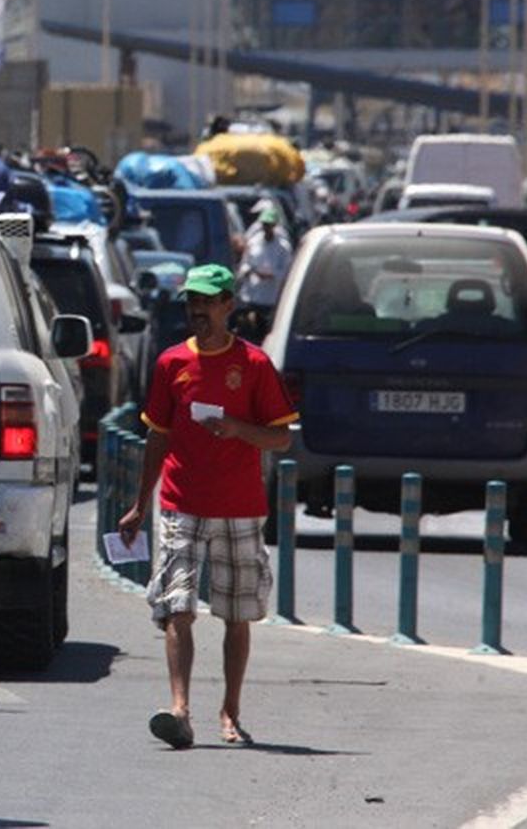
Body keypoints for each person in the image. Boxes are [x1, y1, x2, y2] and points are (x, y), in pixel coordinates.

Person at [117, 263, 297, 750]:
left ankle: (230, 711)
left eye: (207, 301)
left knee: (235, 615)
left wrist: (239, 429)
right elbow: (158, 435)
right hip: (181, 503)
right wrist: (139, 504)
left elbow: (281, 437)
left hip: (239, 507)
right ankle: (180, 710)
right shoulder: (171, 363)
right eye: (191, 301)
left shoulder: (255, 365)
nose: (197, 309)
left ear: (228, 306)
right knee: (177, 607)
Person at [235, 204, 293, 339]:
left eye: (269, 224)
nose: (266, 227)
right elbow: (245, 264)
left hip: (271, 298)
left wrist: (271, 275)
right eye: (264, 224)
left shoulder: (283, 247)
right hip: (253, 296)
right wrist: (248, 272)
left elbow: (287, 272)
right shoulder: (254, 242)